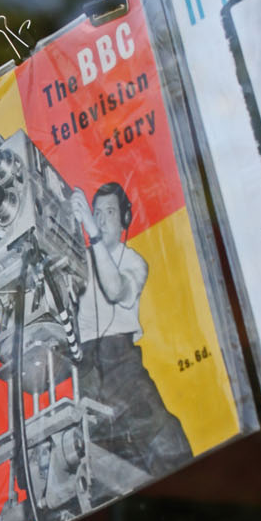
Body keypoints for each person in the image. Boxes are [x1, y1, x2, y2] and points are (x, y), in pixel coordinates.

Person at [71, 181, 192, 478]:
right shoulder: (76, 259)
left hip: (122, 364)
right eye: (96, 213)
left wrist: (92, 233)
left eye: (110, 212)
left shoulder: (134, 262)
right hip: (85, 372)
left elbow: (115, 290)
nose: (100, 220)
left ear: (125, 219)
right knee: (108, 465)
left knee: (166, 441)